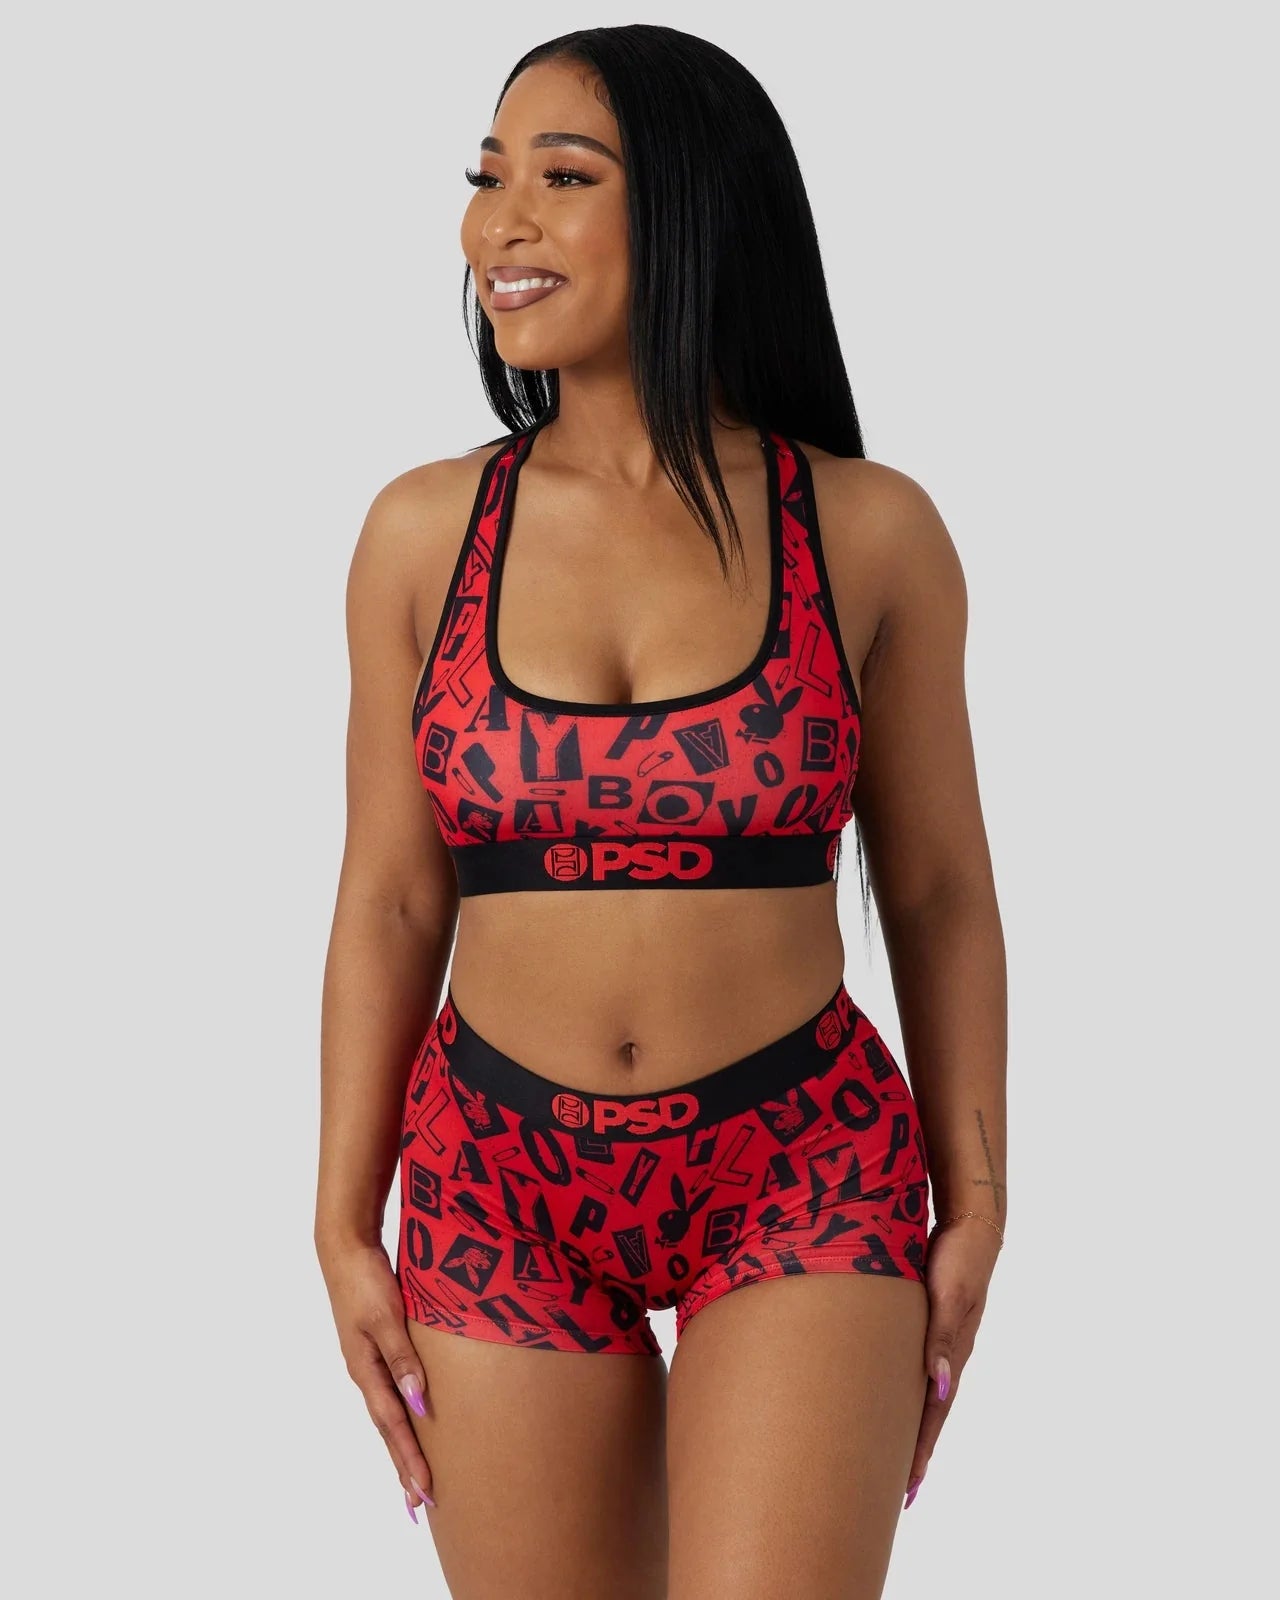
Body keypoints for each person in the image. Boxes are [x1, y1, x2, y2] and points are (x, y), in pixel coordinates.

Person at [315, 22, 1006, 1600]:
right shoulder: (421, 533)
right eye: (488, 177)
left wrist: (978, 1196)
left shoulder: (869, 530)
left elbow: (940, 893)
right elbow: (392, 899)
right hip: (494, 1176)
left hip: (802, 1166)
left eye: (564, 178)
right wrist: (341, 1219)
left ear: (698, 208)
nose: (501, 224)